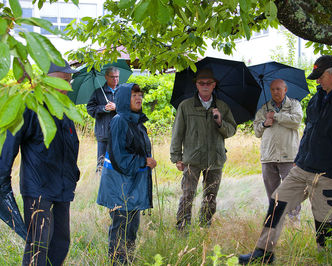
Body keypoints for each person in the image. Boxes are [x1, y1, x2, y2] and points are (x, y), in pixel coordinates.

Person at [238, 55, 332, 264]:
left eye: (320, 77)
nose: (318, 81)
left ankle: (327, 260)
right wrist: (299, 159)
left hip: (329, 173)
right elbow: (308, 130)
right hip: (302, 169)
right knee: (277, 203)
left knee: (324, 223)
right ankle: (264, 254)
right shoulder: (318, 97)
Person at [0, 60, 80, 266]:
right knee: (38, 245)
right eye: (64, 80)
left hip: (62, 188)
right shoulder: (31, 107)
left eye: (69, 81)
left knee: (61, 243)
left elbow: (71, 144)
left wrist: (74, 174)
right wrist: (2, 176)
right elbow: (10, 142)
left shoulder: (64, 110)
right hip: (38, 189)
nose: (68, 87)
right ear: (48, 80)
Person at [96, 83, 156, 264]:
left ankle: (128, 260)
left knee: (132, 228)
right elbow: (119, 158)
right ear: (123, 99)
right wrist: (144, 161)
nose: (139, 98)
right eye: (133, 95)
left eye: (140, 94)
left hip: (132, 186)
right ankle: (117, 261)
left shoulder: (135, 121)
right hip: (119, 186)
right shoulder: (119, 120)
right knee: (120, 227)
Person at [170, 68, 237, 230]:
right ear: (196, 85)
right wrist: (176, 157)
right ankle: (183, 227)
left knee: (210, 196)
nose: (205, 86)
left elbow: (231, 131)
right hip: (192, 159)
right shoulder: (185, 106)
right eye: (201, 83)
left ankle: (204, 226)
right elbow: (177, 133)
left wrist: (220, 121)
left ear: (214, 85)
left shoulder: (222, 106)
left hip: (215, 159)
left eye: (209, 83)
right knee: (187, 194)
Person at [253, 79, 303, 222]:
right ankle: (276, 221)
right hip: (268, 157)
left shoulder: (294, 105)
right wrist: (264, 123)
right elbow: (256, 131)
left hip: (289, 157)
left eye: (279, 89)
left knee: (291, 191)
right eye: (273, 89)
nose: (276, 92)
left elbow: (296, 121)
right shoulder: (264, 108)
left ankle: (294, 223)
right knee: (272, 194)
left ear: (285, 90)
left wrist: (276, 116)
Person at [87, 66, 120, 172]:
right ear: (106, 77)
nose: (115, 79)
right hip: (104, 133)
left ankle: (119, 186)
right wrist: (104, 108)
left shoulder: (123, 91)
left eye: (117, 77)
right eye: (112, 77)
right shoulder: (98, 93)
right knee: (102, 164)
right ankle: (99, 185)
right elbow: (90, 109)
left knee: (119, 163)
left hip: (120, 134)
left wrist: (116, 107)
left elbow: (130, 109)